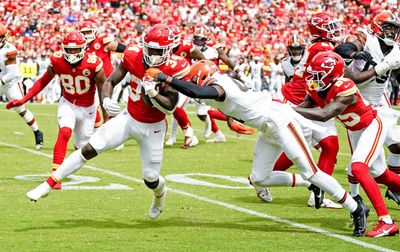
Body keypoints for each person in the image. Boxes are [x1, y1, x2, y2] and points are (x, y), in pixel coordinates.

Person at [144, 59, 368, 237]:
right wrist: (231, 119)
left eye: (195, 81)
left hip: (280, 120)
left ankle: (356, 208)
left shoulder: (219, 84)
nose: (193, 85)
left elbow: (199, 93)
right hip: (268, 126)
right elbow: (226, 103)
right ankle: (308, 182)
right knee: (259, 177)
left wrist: (166, 77)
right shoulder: (218, 83)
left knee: (311, 170)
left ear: (203, 77)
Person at [25, 24, 187, 221]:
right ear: (143, 46)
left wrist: (153, 93)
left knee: (150, 177)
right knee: (90, 148)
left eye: (158, 51)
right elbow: (110, 81)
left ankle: (160, 195)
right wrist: (108, 99)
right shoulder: (133, 56)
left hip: (154, 127)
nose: (153, 55)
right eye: (150, 49)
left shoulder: (175, 67)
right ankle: (47, 185)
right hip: (128, 118)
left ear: (168, 50)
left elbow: (170, 106)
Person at [294, 51, 400, 237]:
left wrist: (290, 109)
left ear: (332, 74)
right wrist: (282, 109)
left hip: (372, 125)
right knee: (382, 176)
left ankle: (387, 221)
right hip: (356, 130)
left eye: (318, 75)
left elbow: (326, 113)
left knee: (359, 169)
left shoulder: (345, 86)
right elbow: (306, 106)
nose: (313, 78)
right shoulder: (316, 87)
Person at [7, 31, 106, 190]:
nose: (72, 53)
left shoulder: (94, 63)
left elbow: (103, 91)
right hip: (68, 102)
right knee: (65, 132)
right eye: (69, 49)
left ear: (83, 48)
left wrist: (107, 117)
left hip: (88, 107)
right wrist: (24, 99)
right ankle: (56, 175)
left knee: (83, 148)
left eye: (75, 49)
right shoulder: (58, 60)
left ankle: (71, 159)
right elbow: (43, 81)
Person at [272, 12, 343, 209]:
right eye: (330, 27)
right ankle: (263, 177)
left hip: (306, 98)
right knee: (320, 147)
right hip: (303, 101)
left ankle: (264, 177)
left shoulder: (317, 44)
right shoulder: (323, 46)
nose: (335, 30)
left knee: (323, 147)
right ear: (320, 29)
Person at [335, 11, 400, 206]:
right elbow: (342, 50)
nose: (391, 32)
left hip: (379, 104)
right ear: (376, 27)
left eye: (394, 29)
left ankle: (393, 188)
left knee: (397, 145)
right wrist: (356, 54)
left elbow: (397, 75)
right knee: (362, 162)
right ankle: (354, 196)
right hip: (357, 105)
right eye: (388, 27)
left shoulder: (396, 50)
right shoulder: (365, 38)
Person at [0, 23, 43, 149]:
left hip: (10, 83)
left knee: (21, 109)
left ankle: (37, 132)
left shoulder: (8, 49)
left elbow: (12, 73)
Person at [79, 20, 126, 130]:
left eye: (88, 32)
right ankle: (99, 131)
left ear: (94, 31)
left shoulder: (101, 42)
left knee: (109, 108)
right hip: (96, 83)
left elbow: (125, 49)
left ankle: (114, 132)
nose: (86, 35)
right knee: (95, 108)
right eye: (84, 33)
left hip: (110, 81)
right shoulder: (82, 47)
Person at [163, 24, 202, 148]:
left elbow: (202, 58)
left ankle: (189, 134)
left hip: (185, 82)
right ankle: (176, 136)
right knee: (172, 109)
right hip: (170, 82)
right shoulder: (164, 48)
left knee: (176, 107)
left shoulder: (187, 46)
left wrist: (196, 75)